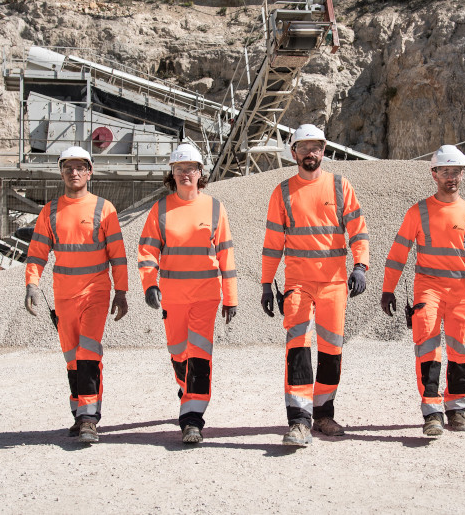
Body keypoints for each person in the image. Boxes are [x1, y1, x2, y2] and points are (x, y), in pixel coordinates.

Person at [260, 124, 370, 447]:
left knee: (332, 350)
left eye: (316, 147)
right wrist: (267, 283)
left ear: (324, 150)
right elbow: (271, 243)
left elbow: (358, 230)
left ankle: (323, 413)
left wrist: (361, 265)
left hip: (335, 284)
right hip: (298, 284)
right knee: (297, 347)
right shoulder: (282, 192)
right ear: (293, 152)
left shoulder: (340, 186)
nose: (311, 153)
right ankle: (298, 422)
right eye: (304, 147)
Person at [380, 144, 465, 437]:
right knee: (428, 351)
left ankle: (456, 409)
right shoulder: (418, 212)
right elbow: (398, 253)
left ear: (462, 175)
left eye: (456, 171)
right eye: (445, 171)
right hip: (427, 292)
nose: (451, 177)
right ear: (434, 174)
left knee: (460, 352)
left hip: (461, 294)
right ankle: (432, 412)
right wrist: (388, 289)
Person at [24, 146, 129, 444]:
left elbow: (117, 256)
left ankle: (88, 419)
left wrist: (121, 291)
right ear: (61, 173)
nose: (74, 172)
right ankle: (79, 413)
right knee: (71, 357)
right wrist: (32, 283)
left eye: (80, 167)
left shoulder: (103, 208)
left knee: (87, 351)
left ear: (90, 171)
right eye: (68, 167)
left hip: (96, 292)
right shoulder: (50, 211)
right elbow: (37, 252)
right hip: (64, 296)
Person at [138, 142, 238, 444]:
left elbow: (226, 255)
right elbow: (147, 251)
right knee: (178, 350)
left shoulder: (215, 208)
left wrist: (231, 297)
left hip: (206, 296)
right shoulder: (161, 209)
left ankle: (192, 418)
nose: (185, 174)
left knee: (199, 354)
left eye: (190, 168)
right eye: (179, 169)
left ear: (200, 173)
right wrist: (149, 284)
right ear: (172, 173)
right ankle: (186, 388)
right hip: (173, 296)